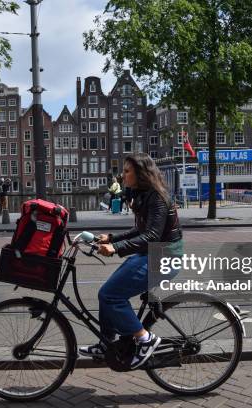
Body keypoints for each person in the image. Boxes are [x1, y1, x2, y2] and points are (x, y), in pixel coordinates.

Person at [78, 153, 183, 370]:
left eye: (127, 171)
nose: (122, 175)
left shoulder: (157, 197)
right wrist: (112, 238)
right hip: (151, 254)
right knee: (106, 293)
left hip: (165, 257)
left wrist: (116, 248)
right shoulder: (143, 194)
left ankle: (145, 339)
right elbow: (140, 229)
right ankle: (107, 344)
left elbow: (152, 235)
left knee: (111, 295)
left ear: (140, 173)